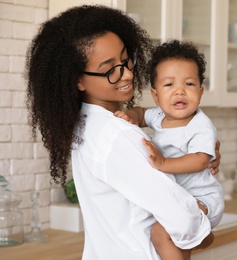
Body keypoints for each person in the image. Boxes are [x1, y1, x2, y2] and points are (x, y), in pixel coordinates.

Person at [25, 5, 221, 260]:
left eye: (126, 58)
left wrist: (198, 156)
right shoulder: (116, 134)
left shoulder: (87, 125)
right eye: (110, 69)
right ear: (78, 80)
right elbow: (184, 221)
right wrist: (207, 234)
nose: (127, 73)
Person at [114, 40, 224, 259]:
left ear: (201, 92)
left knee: (162, 233)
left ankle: (201, 233)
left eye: (189, 84)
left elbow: (201, 160)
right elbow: (142, 112)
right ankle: (202, 236)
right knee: (173, 239)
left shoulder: (200, 125)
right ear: (156, 95)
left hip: (202, 198)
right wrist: (132, 117)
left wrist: (164, 163)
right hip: (179, 198)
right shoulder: (159, 116)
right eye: (169, 85)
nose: (180, 92)